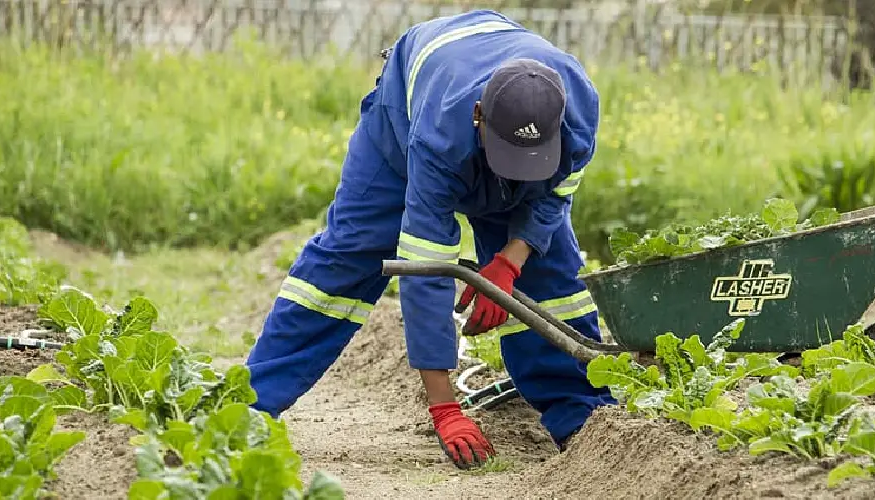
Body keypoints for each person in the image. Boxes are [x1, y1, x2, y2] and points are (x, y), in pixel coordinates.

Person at [243, 9, 616, 470]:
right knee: (348, 256)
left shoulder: (577, 112)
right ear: (479, 117)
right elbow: (427, 271)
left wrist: (510, 262)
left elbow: (554, 195)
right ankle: (249, 406)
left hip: (499, 103)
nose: (513, 175)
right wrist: (444, 406)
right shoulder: (441, 135)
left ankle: (584, 418)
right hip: (404, 119)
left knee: (548, 278)